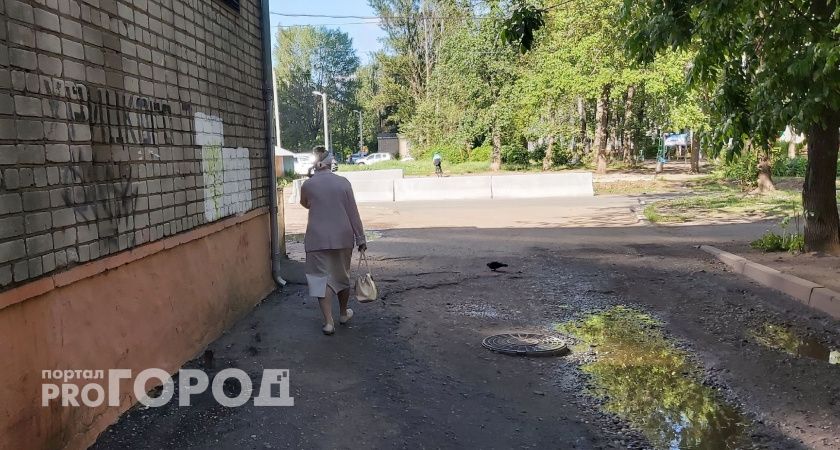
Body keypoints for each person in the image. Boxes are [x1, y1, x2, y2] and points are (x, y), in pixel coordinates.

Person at [299, 146, 367, 335]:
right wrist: (360, 238)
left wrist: (310, 178)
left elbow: (305, 203)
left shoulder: (308, 185)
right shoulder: (344, 183)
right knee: (341, 276)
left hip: (317, 238)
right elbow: (353, 212)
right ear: (331, 163)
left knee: (321, 280)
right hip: (342, 237)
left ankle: (329, 323)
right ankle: (344, 313)